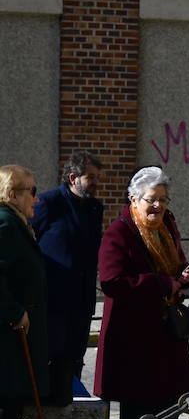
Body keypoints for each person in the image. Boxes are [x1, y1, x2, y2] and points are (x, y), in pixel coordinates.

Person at [94, 167, 189, 419]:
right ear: (133, 199)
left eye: (163, 200)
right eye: (151, 200)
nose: (158, 207)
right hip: (133, 333)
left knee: (174, 394)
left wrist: (183, 276)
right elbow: (111, 282)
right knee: (137, 401)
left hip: (166, 329)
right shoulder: (119, 232)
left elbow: (174, 264)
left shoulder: (167, 225)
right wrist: (163, 283)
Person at [31, 151, 104, 403]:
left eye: (97, 177)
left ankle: (72, 404)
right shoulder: (48, 203)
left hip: (82, 298)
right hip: (53, 297)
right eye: (90, 177)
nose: (95, 182)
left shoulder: (95, 207)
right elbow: (31, 241)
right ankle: (49, 404)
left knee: (75, 354)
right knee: (53, 354)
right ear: (73, 177)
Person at [0, 166, 48, 419]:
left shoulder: (15, 221)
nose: (36, 196)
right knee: (4, 408)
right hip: (7, 337)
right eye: (30, 190)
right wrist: (15, 311)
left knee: (10, 408)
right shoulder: (4, 223)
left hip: (16, 336)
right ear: (12, 193)